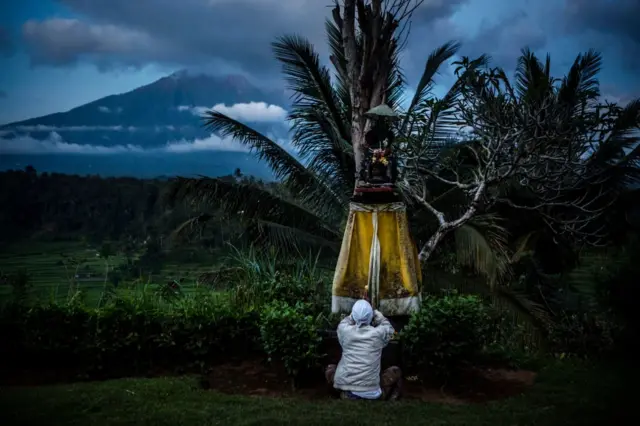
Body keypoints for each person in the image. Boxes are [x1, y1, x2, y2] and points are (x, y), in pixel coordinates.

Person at [325, 299, 403, 400]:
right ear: (371, 316)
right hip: (373, 392)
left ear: (353, 315)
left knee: (330, 369)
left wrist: (352, 316)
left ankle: (341, 394)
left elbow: (344, 322)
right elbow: (389, 329)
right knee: (395, 371)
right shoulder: (378, 333)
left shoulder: (344, 331)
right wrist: (378, 316)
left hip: (348, 391)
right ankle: (389, 397)